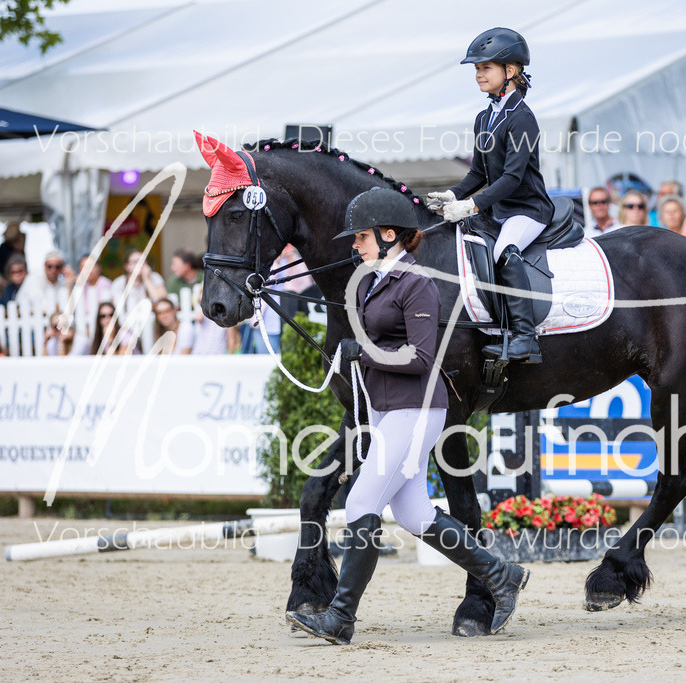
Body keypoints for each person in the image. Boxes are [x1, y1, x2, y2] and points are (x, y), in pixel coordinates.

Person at [287, 187, 528, 645]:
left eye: (360, 237)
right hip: (386, 408)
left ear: (389, 235)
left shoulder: (416, 282)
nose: (354, 245)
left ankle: (340, 617)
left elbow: (422, 356)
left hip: (415, 409)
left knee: (360, 503)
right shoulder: (375, 279)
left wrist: (367, 353)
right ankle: (501, 575)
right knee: (415, 514)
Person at [426, 27, 553, 364]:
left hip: (528, 208)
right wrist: (451, 195)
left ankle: (525, 338)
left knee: (504, 252)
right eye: (477, 70)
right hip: (499, 209)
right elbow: (479, 173)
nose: (479, 75)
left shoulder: (523, 119)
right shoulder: (484, 118)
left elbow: (512, 178)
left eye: (485, 68)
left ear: (510, 71)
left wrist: (472, 205)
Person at [16, 250, 75, 314]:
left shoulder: (63, 282)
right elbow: (44, 307)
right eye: (49, 266)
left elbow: (69, 307)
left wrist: (69, 282)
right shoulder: (33, 279)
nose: (53, 270)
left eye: (57, 267)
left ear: (62, 268)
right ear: (44, 266)